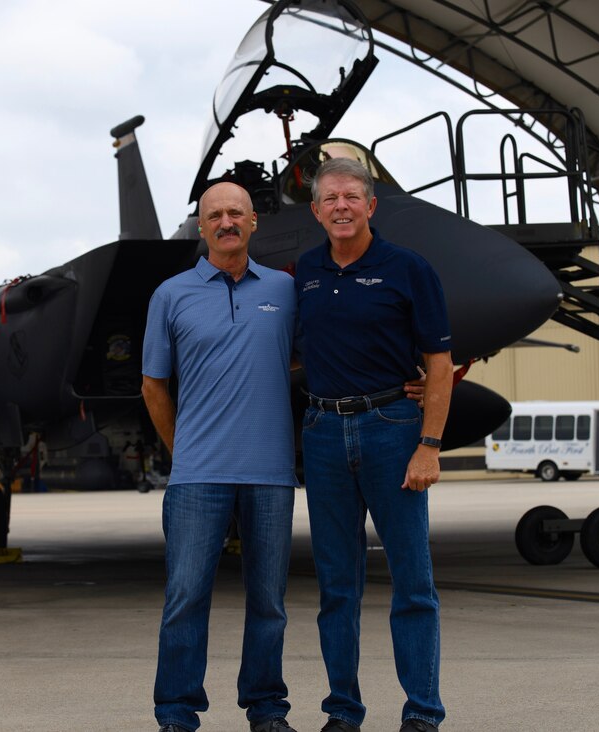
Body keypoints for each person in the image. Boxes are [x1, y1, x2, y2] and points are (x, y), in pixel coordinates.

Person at [294, 157, 453, 732]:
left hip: (391, 430)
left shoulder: (408, 269)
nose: (340, 207)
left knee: (413, 583)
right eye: (330, 198)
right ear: (316, 210)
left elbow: (438, 363)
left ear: (370, 206)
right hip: (324, 434)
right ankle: (343, 712)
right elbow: (290, 350)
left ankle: (423, 713)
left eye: (351, 198)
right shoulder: (306, 271)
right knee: (337, 588)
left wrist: (429, 445)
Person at [142, 181, 299, 732]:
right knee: (185, 598)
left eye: (236, 213)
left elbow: (317, 354)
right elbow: (153, 385)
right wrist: (181, 449)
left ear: (253, 222)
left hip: (271, 472)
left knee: (270, 602)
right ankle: (177, 713)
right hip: (197, 476)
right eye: (216, 215)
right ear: (202, 226)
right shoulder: (171, 295)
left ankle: (266, 709)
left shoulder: (284, 290)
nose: (227, 222)